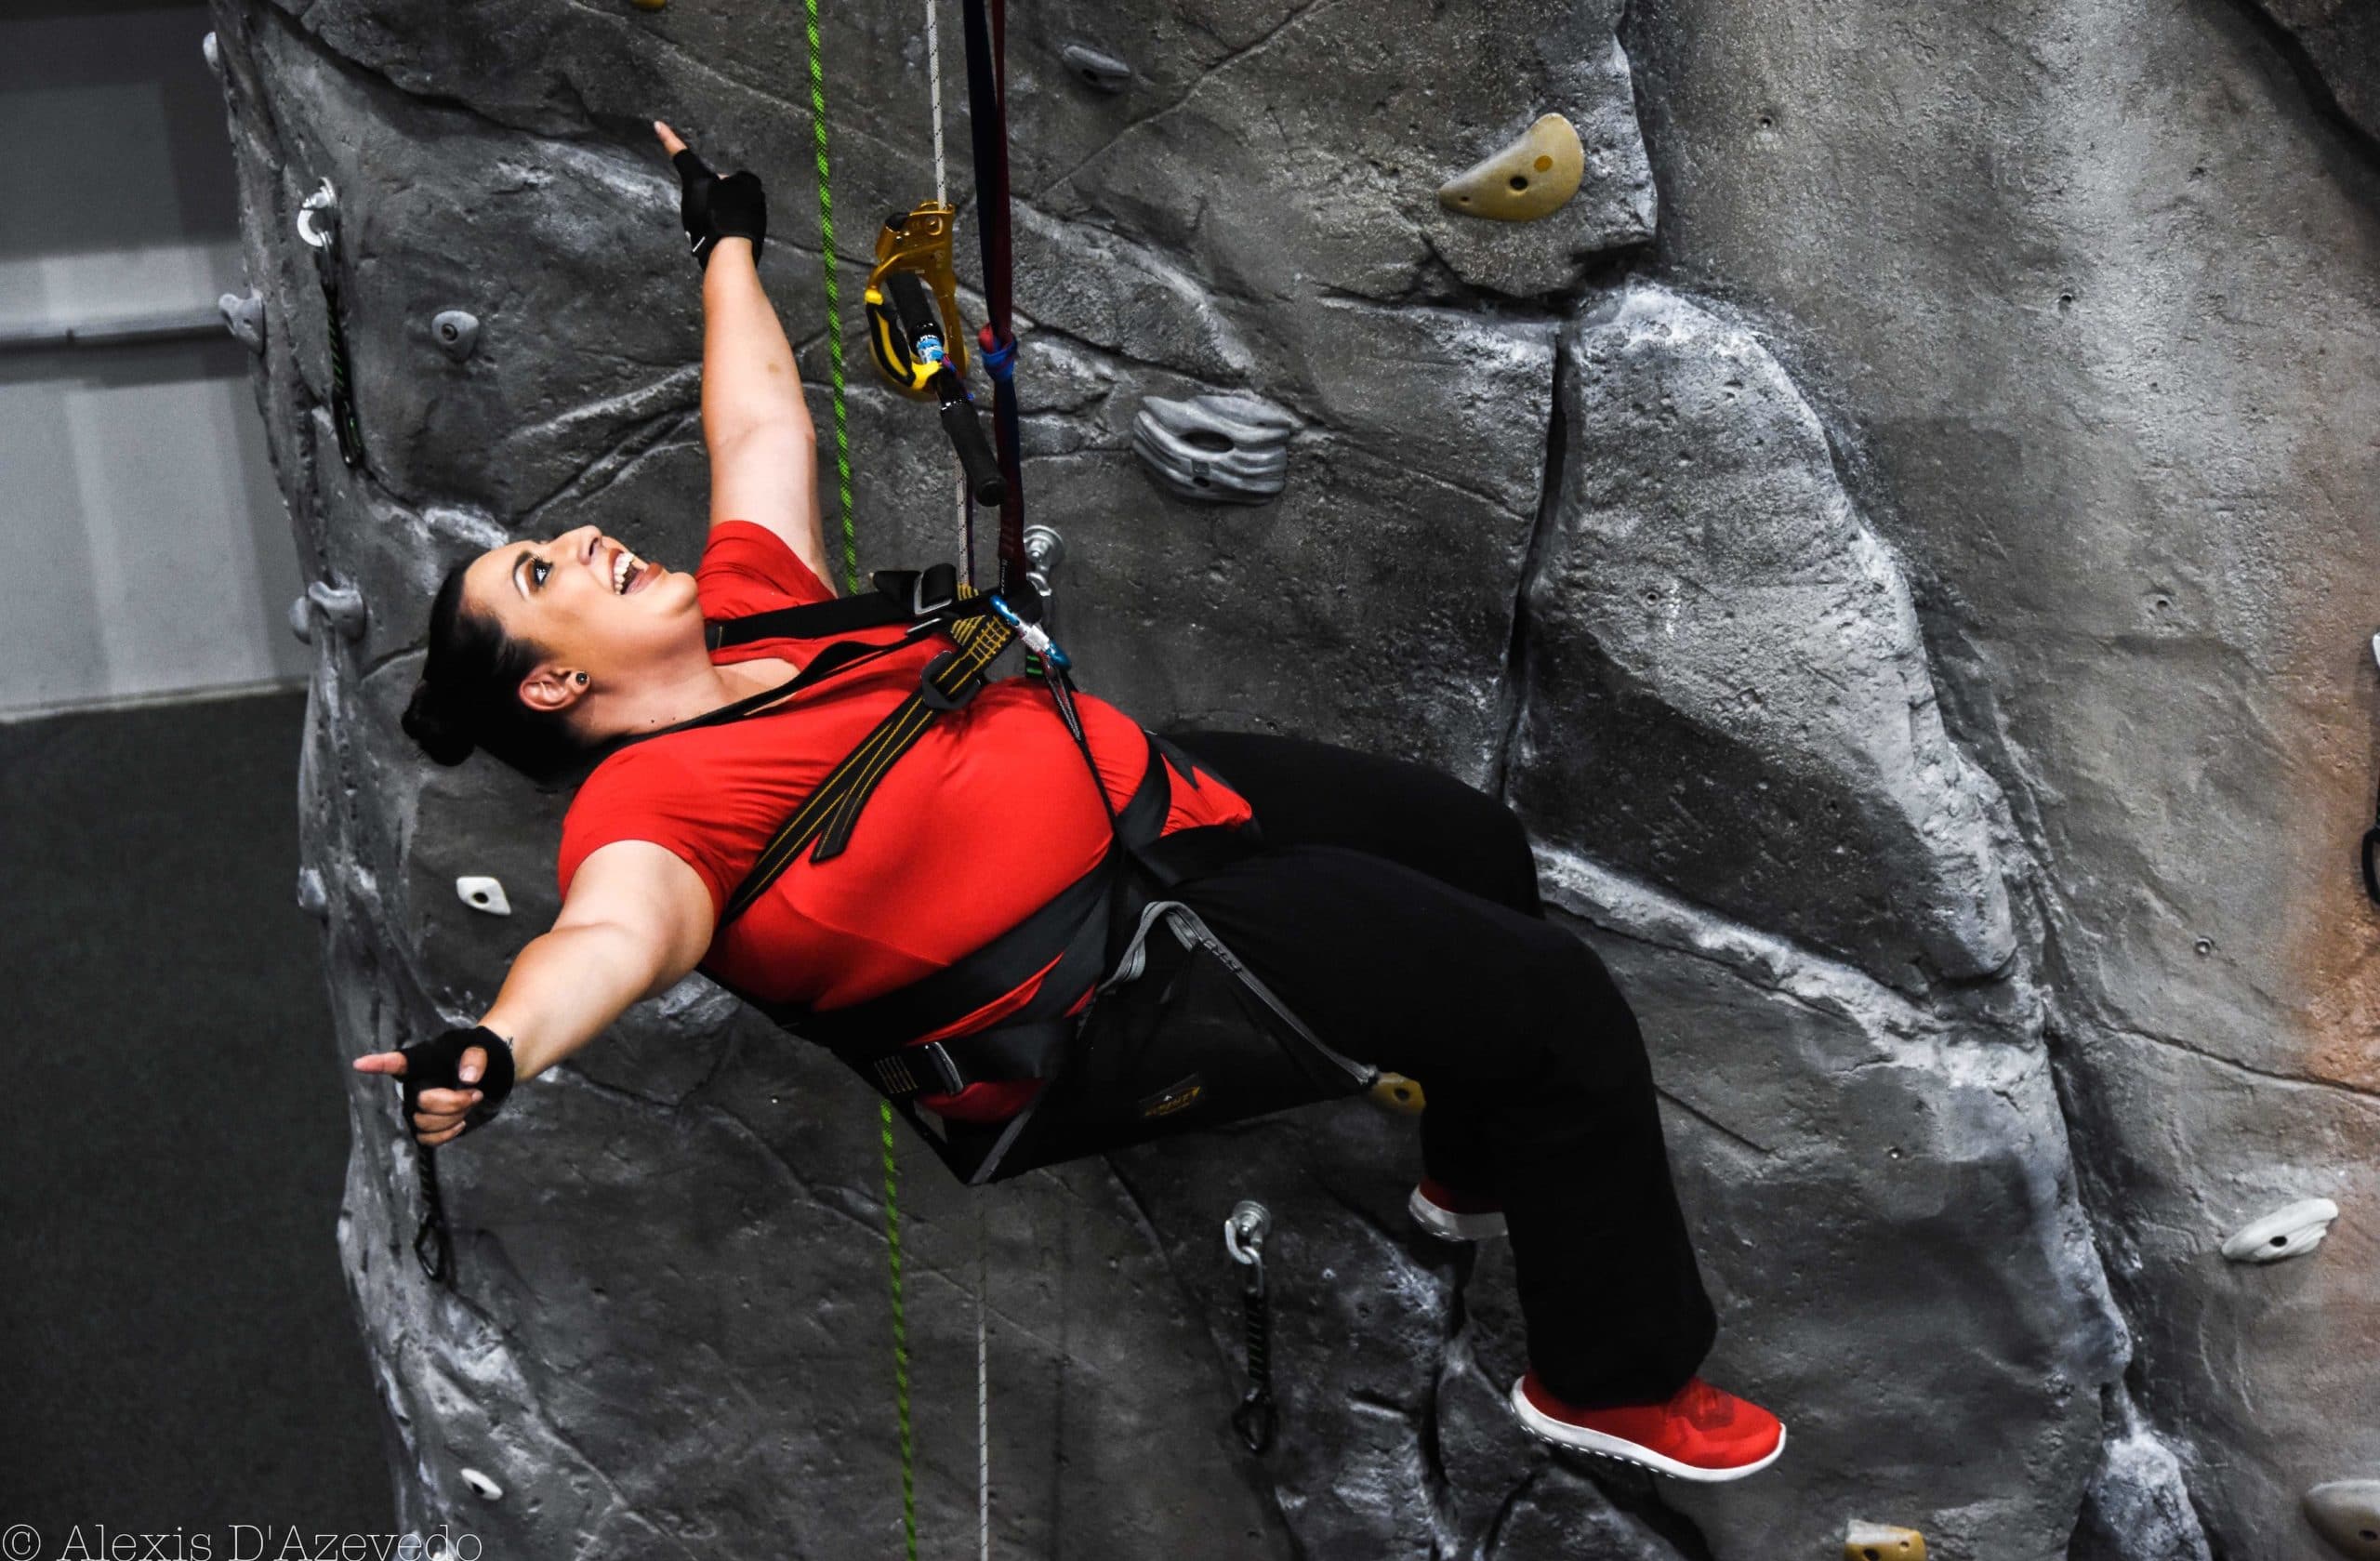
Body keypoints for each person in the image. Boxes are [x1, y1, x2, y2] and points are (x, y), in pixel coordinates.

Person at [352, 122, 1787, 1482]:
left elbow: (758, 428)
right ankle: (1612, 1377)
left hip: (1155, 809)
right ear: (550, 691)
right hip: (1123, 980)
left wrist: (724, 240)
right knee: (1561, 1006)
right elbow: (609, 938)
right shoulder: (650, 810)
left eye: (548, 542)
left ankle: (1474, 1164)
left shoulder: (748, 620)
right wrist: (495, 1047)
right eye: (541, 576)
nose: (581, 542)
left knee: (1476, 850)